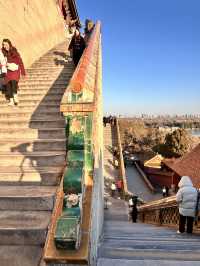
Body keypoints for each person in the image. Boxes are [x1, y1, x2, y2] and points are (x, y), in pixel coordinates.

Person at [2, 39, 25, 106]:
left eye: (6, 44)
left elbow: (20, 61)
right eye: (3, 44)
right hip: (8, 70)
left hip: (15, 69)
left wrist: (23, 72)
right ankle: (11, 100)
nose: (4, 46)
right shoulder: (3, 52)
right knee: (8, 84)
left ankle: (15, 96)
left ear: (9, 44)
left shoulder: (14, 51)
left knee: (13, 81)